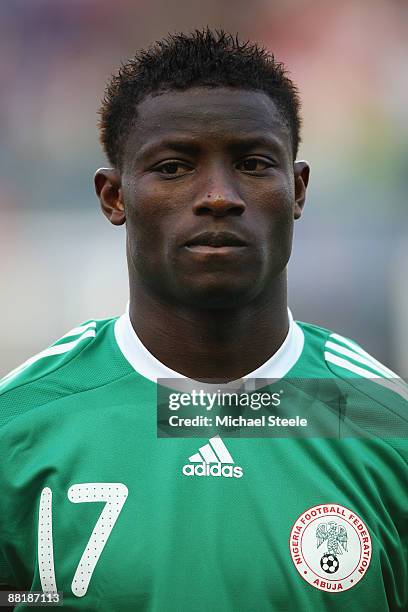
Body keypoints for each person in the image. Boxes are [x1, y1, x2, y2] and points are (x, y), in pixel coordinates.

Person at [0, 28, 406, 612]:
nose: (219, 195)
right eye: (174, 167)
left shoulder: (383, 420)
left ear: (296, 188)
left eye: (253, 162)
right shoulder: (20, 426)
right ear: (114, 196)